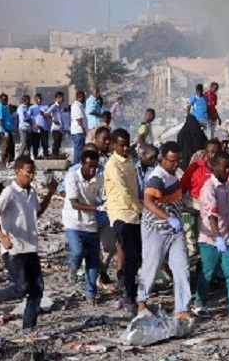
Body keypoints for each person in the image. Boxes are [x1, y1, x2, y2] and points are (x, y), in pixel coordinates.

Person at [0, 156, 57, 334]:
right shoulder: (9, 192)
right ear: (17, 171)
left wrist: (50, 194)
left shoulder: (32, 192)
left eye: (33, 173)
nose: (31, 177)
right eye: (28, 173)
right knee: (22, 287)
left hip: (31, 247)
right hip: (14, 249)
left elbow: (37, 212)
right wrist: (2, 237)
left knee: (37, 289)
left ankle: (28, 327)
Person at [137, 141, 192, 322]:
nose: (175, 164)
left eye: (177, 161)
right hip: (156, 229)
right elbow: (148, 202)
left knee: (182, 268)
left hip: (174, 231)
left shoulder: (174, 175)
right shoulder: (157, 178)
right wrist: (168, 218)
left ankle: (182, 308)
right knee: (151, 266)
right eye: (172, 161)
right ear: (163, 159)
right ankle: (141, 303)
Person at [195, 150, 229, 318]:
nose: (228, 171)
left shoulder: (227, 185)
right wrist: (217, 237)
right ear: (215, 166)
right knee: (207, 273)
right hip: (210, 238)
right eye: (224, 167)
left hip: (228, 235)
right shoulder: (209, 188)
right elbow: (212, 215)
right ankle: (200, 303)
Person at [104, 128, 142, 316]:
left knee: (137, 256)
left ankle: (128, 284)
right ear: (113, 145)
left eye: (127, 145)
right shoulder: (113, 165)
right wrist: (141, 208)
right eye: (121, 145)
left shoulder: (129, 160)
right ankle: (129, 296)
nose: (125, 148)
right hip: (121, 214)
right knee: (130, 254)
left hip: (134, 214)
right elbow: (124, 192)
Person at [62, 149, 104, 303]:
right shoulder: (72, 177)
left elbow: (105, 196)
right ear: (82, 164)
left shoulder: (99, 179)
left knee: (93, 260)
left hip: (90, 223)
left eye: (95, 167)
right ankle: (73, 267)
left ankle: (90, 293)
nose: (92, 170)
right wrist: (97, 208)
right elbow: (75, 203)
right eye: (89, 167)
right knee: (78, 251)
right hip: (73, 222)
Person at [180, 139, 222, 259]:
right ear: (205, 152)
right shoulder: (196, 167)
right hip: (195, 208)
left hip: (216, 210)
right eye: (210, 152)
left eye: (215, 152)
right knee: (194, 244)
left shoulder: (223, 168)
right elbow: (182, 186)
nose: (212, 155)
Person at [0, 93, 15, 167]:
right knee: (5, 145)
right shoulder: (0, 107)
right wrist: (4, 130)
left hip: (9, 129)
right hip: (4, 130)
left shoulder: (6, 107)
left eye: (6, 99)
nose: (6, 101)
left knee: (11, 144)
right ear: (1, 100)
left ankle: (10, 160)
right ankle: (3, 161)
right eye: (4, 99)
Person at [45, 91, 65, 157]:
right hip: (56, 128)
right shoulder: (54, 106)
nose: (63, 99)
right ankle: (54, 156)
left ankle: (56, 155)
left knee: (58, 143)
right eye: (61, 97)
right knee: (56, 143)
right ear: (57, 98)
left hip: (60, 128)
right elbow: (46, 113)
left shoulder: (60, 107)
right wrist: (53, 121)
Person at [30, 94, 50, 158]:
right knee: (35, 144)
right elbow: (28, 118)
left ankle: (46, 155)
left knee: (45, 143)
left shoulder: (45, 107)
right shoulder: (32, 108)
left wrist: (43, 115)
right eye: (37, 99)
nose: (39, 100)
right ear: (34, 99)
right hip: (35, 129)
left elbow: (49, 118)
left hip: (44, 128)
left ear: (42, 99)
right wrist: (33, 124)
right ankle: (35, 156)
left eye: (40, 99)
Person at [71, 91, 87, 164]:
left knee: (80, 148)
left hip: (80, 131)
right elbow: (78, 119)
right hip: (78, 131)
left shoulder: (80, 105)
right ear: (80, 97)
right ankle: (76, 165)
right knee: (78, 149)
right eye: (84, 97)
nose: (85, 99)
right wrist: (83, 129)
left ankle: (79, 164)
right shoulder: (76, 105)